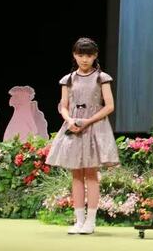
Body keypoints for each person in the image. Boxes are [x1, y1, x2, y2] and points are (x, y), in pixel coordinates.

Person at [45, 38, 119, 235]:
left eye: (88, 55)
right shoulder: (68, 79)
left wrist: (87, 121)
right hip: (73, 127)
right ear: (74, 55)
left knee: (91, 174)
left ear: (95, 56)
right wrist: (69, 120)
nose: (84, 59)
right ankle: (79, 221)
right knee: (76, 174)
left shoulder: (102, 77)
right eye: (80, 55)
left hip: (94, 127)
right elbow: (63, 106)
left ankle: (90, 222)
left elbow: (109, 106)